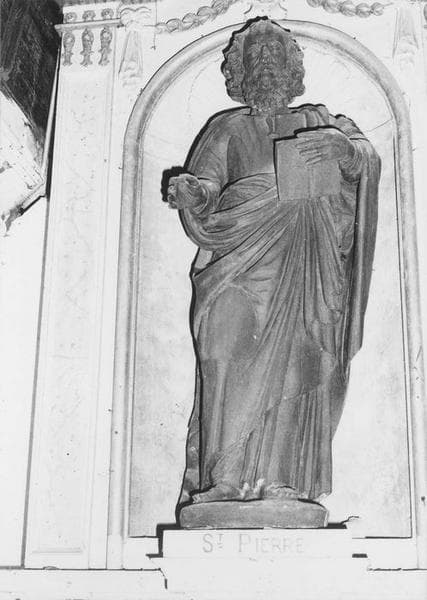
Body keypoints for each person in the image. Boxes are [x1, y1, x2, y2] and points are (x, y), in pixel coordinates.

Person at [166, 18, 381, 507]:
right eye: (255, 56)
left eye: (274, 54)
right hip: (237, 261)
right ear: (240, 71)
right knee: (222, 347)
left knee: (297, 361)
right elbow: (208, 186)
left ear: (290, 67)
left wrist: (345, 150)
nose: (265, 63)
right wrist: (193, 192)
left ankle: (282, 482)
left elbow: (365, 160)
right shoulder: (227, 128)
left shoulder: (319, 120)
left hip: (303, 264)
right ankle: (222, 479)